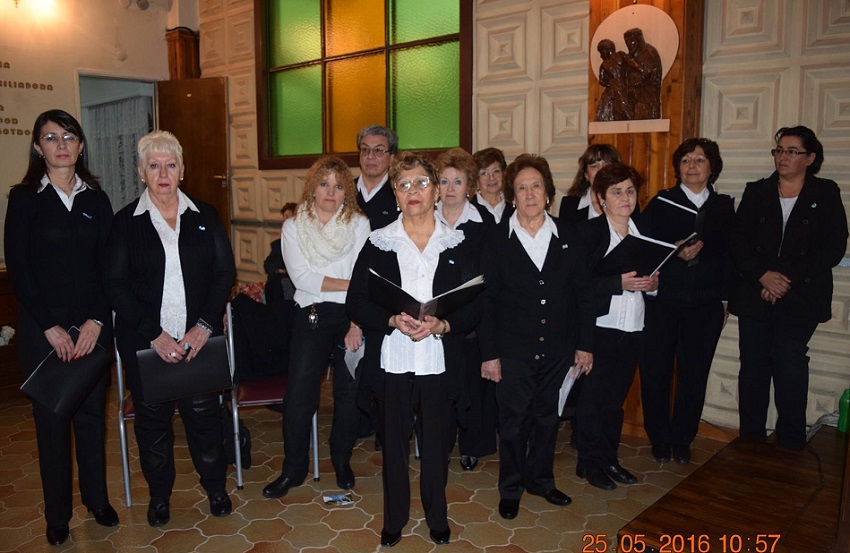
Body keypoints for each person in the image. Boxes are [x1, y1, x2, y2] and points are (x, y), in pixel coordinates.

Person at [347, 151, 482, 547]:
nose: (413, 191)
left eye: (421, 182)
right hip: (394, 359)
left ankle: (437, 518)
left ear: (437, 188)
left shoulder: (456, 241)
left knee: (438, 448)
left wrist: (444, 323)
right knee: (393, 448)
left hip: (440, 360)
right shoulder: (378, 242)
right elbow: (356, 301)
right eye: (403, 185)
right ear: (395, 193)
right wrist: (390, 320)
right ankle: (394, 521)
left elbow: (477, 302)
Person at [104, 130, 236, 527]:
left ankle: (215, 487)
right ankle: (159, 497)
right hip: (149, 345)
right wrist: (154, 335)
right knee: (153, 426)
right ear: (142, 172)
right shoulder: (125, 222)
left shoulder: (205, 215)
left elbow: (223, 272)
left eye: (171, 164)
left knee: (204, 421)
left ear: (182, 169)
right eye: (154, 165)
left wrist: (203, 327)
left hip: (198, 340)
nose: (163, 173)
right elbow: (115, 285)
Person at [4, 109, 117, 546]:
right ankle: (57, 516)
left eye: (69, 136)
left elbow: (109, 267)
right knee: (51, 424)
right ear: (38, 147)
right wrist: (50, 326)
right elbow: (20, 269)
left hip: (90, 328)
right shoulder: (24, 198)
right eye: (51, 138)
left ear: (81, 145)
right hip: (42, 332)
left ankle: (97, 501)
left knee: (92, 419)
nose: (62, 144)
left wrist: (94, 320)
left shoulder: (96, 200)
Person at [479, 153, 595, 520]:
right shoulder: (496, 239)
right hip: (511, 350)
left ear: (548, 193)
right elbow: (487, 302)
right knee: (513, 422)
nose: (529, 194)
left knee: (548, 418)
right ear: (512, 196)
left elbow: (583, 296)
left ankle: (541, 479)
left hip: (559, 348)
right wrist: (489, 354)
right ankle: (511, 486)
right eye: (521, 188)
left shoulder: (569, 235)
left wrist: (585, 345)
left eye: (536, 186)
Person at [729, 126, 847, 450]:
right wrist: (763, 276)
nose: (783, 157)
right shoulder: (757, 191)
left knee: (788, 360)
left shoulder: (825, 194)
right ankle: (750, 439)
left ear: (810, 158)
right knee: (752, 366)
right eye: (779, 150)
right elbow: (738, 242)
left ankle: (791, 442)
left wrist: (782, 279)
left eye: (792, 151)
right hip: (756, 291)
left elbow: (833, 247)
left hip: (801, 296)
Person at [263, 156, 371, 498]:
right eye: (324, 184)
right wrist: (350, 284)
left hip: (351, 317)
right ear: (312, 187)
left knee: (348, 393)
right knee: (299, 394)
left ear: (346, 193)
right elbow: (301, 278)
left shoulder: (359, 224)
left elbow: (363, 279)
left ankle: (341, 459)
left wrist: (356, 321)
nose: (330, 192)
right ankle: (293, 468)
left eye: (338, 186)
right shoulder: (294, 226)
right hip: (310, 313)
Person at [637, 138, 735, 464]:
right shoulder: (662, 203)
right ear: (678, 168)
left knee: (694, 374)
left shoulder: (723, 207)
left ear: (712, 167)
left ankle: (683, 438)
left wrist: (724, 301)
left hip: (705, 304)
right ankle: (659, 437)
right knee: (656, 371)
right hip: (663, 302)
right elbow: (641, 247)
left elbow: (729, 259)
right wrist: (673, 248)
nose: (692, 166)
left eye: (700, 160)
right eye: (686, 161)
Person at [574, 162, 658, 491]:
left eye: (630, 190)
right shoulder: (589, 233)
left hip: (633, 326)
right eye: (616, 192)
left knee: (614, 401)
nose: (625, 197)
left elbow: (652, 281)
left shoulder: (643, 234)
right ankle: (589, 463)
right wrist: (616, 282)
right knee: (592, 400)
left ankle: (609, 458)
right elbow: (576, 285)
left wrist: (653, 286)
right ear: (601, 199)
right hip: (600, 327)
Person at [434, 148, 496, 472]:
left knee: (471, 387)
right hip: (434, 317)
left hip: (471, 317)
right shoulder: (426, 221)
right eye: (444, 181)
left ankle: (471, 445)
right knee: (441, 389)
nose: (450, 188)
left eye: (457, 181)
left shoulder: (483, 224)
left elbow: (486, 282)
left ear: (469, 186)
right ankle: (440, 445)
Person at [559, 144, 622, 224]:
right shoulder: (569, 205)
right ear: (586, 174)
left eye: (607, 165)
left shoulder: (627, 202)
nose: (601, 171)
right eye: (594, 166)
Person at [355, 125, 398, 231]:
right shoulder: (343, 190)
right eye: (365, 149)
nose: (370, 156)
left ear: (392, 157)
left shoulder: (399, 193)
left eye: (378, 150)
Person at [624, 28, 662, 119]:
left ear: (638, 40)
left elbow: (645, 74)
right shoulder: (630, 56)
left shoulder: (649, 52)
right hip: (634, 97)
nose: (629, 45)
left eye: (631, 41)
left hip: (646, 96)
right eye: (627, 42)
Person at [472, 147, 514, 223]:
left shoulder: (513, 205)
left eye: (496, 171)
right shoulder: (468, 209)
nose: (491, 178)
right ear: (477, 179)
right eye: (484, 173)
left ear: (503, 174)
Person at [595, 39, 633, 121]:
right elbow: (602, 80)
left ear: (607, 49)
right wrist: (611, 85)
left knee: (625, 108)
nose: (601, 56)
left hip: (626, 87)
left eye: (601, 52)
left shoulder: (620, 55)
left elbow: (632, 65)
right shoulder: (604, 64)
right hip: (614, 90)